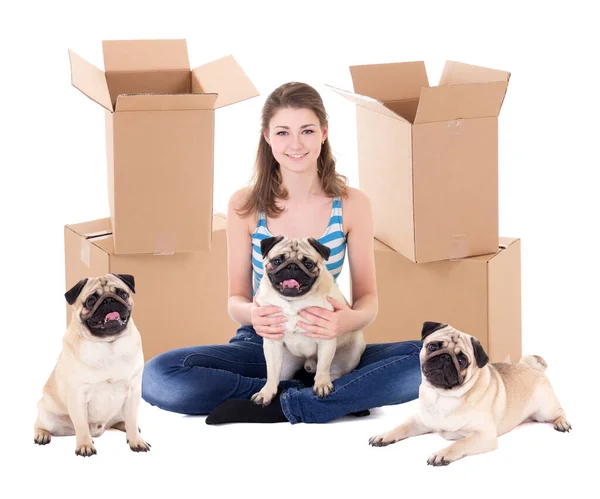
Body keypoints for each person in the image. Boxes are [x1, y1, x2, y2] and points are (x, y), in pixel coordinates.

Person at [141, 82, 423, 425]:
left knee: (423, 358)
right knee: (159, 376)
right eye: (283, 132)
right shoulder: (244, 206)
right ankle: (325, 395)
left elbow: (368, 300)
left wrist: (344, 320)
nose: (296, 144)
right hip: (267, 340)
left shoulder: (352, 204)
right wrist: (253, 314)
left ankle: (282, 403)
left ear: (324, 133)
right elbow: (235, 298)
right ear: (267, 137)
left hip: (330, 340)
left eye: (306, 130)